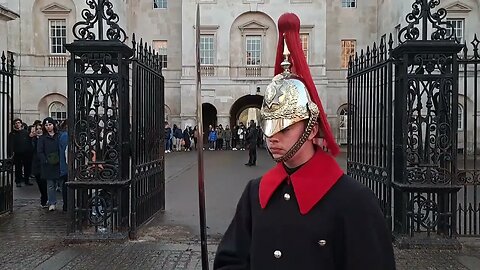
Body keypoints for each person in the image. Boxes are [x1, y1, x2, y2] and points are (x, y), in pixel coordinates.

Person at [213, 13, 395, 270]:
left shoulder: (354, 201)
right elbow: (230, 261)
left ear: (311, 129)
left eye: (285, 127)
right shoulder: (255, 192)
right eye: (270, 126)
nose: (272, 137)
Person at [37, 117, 61, 211]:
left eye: (50, 124)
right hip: (48, 164)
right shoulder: (42, 138)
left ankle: (67, 203)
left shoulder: (59, 136)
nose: (48, 127)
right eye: (46, 125)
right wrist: (45, 160)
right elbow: (40, 151)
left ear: (53, 125)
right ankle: (52, 202)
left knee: (62, 184)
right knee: (50, 185)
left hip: (59, 163)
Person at [8, 118, 34, 187]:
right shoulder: (12, 134)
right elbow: (10, 144)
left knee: (27, 167)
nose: (17, 124)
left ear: (21, 124)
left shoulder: (25, 132)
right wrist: (10, 153)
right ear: (14, 125)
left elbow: (30, 140)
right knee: (18, 168)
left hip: (27, 153)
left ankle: (26, 180)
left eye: (18, 123)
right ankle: (18, 181)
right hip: (17, 153)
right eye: (16, 123)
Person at [30, 124, 48, 208]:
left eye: (40, 128)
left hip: (44, 162)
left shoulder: (45, 138)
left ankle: (45, 198)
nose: (38, 130)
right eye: (37, 129)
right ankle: (44, 196)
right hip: (36, 162)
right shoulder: (33, 139)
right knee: (39, 182)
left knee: (45, 182)